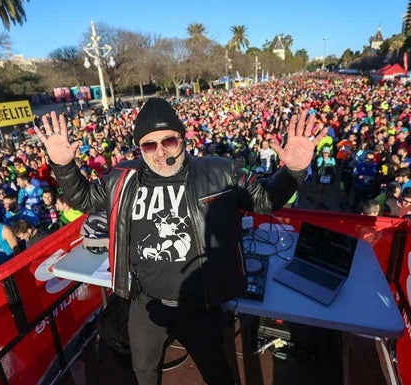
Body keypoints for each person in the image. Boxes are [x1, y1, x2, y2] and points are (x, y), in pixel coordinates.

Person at [36, 98, 325, 385]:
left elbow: (264, 200)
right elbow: (83, 198)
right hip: (145, 302)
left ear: (182, 139)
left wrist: (292, 173)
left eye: (169, 141)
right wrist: (64, 167)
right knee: (144, 370)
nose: (160, 152)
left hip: (198, 304)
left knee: (217, 371)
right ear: (139, 148)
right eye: (149, 145)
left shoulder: (219, 172)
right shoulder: (122, 177)